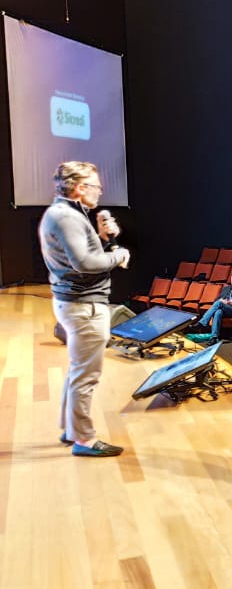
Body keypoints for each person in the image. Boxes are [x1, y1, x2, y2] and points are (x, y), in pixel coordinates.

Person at [39, 161, 131, 457]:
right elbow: (86, 264)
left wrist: (104, 240)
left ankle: (72, 429)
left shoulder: (67, 214)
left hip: (77, 302)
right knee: (86, 376)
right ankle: (84, 439)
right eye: (96, 186)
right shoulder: (67, 217)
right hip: (84, 305)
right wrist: (118, 256)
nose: (100, 192)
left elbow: (85, 258)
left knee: (78, 372)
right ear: (80, 188)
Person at [191, 272, 232, 341]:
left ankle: (202, 322)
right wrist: (222, 300)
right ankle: (214, 337)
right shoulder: (226, 288)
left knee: (218, 303)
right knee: (218, 312)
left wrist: (231, 303)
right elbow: (216, 299)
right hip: (224, 308)